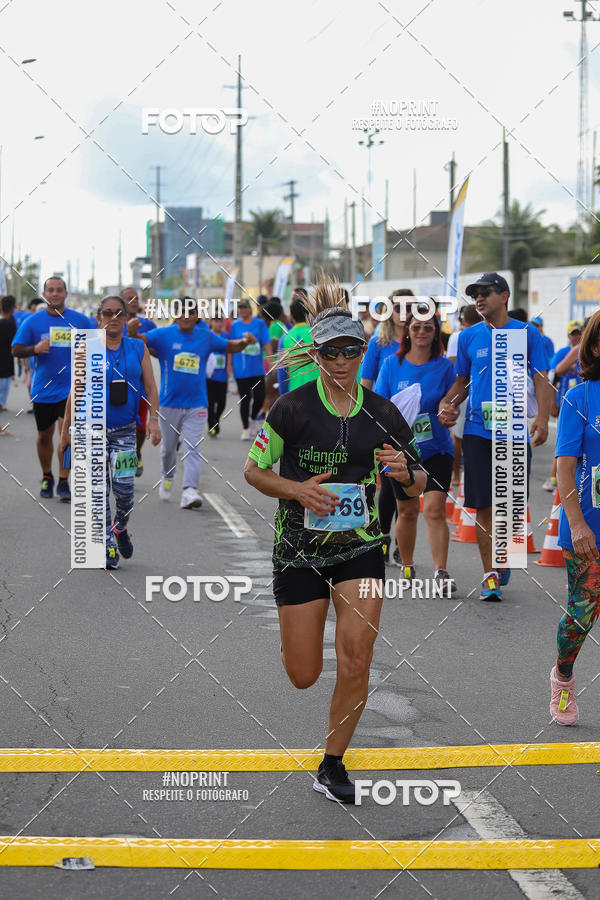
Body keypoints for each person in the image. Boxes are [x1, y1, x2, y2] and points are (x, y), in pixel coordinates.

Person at [244, 279, 425, 803]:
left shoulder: (384, 413)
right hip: (299, 551)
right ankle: (299, 630)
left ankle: (333, 762)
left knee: (358, 654)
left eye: (351, 351)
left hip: (361, 547)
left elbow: (418, 482)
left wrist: (403, 470)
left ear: (363, 352)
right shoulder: (293, 409)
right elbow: (254, 471)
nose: (342, 361)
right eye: (331, 353)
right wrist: (297, 490)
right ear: (316, 354)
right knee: (303, 674)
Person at [438, 273, 550, 601]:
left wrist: (542, 418)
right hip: (476, 430)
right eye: (475, 295)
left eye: (485, 293)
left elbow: (541, 377)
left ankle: (504, 554)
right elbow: (462, 382)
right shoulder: (469, 336)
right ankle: (490, 574)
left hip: (514, 429)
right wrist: (448, 404)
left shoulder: (527, 333)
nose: (479, 299)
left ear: (504, 296)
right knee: (484, 503)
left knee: (511, 504)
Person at [59, 295, 160, 568]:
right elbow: (76, 390)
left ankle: (119, 527)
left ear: (126, 318)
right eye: (107, 313)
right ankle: (106, 543)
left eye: (119, 313)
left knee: (125, 491)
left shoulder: (138, 348)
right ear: (98, 318)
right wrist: (67, 428)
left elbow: (150, 388)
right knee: (97, 490)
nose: (113, 318)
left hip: (126, 432)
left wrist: (153, 421)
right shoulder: (87, 348)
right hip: (92, 431)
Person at [144, 300, 257, 507]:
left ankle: (189, 490)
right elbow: (140, 341)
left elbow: (231, 346)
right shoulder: (164, 335)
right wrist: (132, 329)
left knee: (193, 447)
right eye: (182, 312)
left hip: (197, 404)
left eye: (191, 313)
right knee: (168, 449)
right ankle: (167, 477)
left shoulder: (205, 337)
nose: (186, 316)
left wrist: (245, 341)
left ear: (197, 316)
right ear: (176, 315)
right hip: (169, 404)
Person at [375, 309, 456, 588]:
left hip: (437, 449)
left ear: (436, 334)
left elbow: (450, 401)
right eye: (417, 327)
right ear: (407, 330)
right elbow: (379, 405)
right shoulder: (391, 364)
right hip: (401, 452)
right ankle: (407, 566)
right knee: (407, 510)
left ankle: (441, 572)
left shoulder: (445, 367)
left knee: (434, 510)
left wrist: (447, 410)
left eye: (429, 328)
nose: (422, 333)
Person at [551, 310, 600, 724]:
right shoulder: (579, 397)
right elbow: (565, 468)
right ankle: (563, 679)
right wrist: (578, 522)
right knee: (582, 613)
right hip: (588, 525)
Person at [12, 277, 90, 500]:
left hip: (72, 390)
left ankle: (64, 480)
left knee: (67, 434)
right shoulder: (33, 322)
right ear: (45, 294)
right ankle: (47, 476)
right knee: (44, 435)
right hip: (44, 389)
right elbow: (16, 350)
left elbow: (99, 346)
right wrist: (35, 348)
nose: (55, 294)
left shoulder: (82, 321)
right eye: (50, 290)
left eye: (59, 290)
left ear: (66, 293)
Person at [361, 289, 415, 563]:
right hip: (383, 424)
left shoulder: (421, 341)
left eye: (410, 307)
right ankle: (382, 536)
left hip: (416, 427)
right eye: (399, 307)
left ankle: (396, 542)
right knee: (388, 481)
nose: (404, 313)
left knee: (404, 485)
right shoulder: (378, 344)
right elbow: (365, 383)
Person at [121, 286, 157, 477]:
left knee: (140, 426)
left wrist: (138, 338)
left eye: (136, 298)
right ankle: (121, 469)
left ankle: (136, 452)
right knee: (121, 426)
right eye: (129, 298)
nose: (133, 301)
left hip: (140, 385)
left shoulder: (148, 325)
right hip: (116, 386)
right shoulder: (113, 324)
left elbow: (158, 350)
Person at [543, 320, 583, 492]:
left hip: (587, 402)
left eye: (578, 332)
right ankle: (554, 478)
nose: (576, 336)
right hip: (570, 402)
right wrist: (553, 403)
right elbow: (554, 374)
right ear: (568, 336)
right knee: (565, 444)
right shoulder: (566, 352)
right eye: (573, 333)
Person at [446, 303, 481, 486]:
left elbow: (453, 366)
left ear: (463, 319)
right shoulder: (485, 334)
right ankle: (470, 472)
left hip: (461, 390)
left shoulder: (458, 336)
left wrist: (449, 398)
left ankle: (456, 475)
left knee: (458, 437)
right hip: (479, 392)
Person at [229, 299, 272, 440]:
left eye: (244, 307)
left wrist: (271, 361)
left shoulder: (259, 324)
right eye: (239, 307)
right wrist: (229, 365)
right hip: (241, 369)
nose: (241, 309)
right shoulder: (235, 326)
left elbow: (266, 343)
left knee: (260, 398)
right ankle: (246, 429)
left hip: (257, 369)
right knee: (245, 399)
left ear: (250, 309)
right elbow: (230, 346)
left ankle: (253, 418)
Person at [277, 295, 318, 394]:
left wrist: (283, 394)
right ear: (308, 314)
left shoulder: (285, 338)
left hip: (295, 392)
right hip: (319, 391)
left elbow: (282, 370)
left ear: (291, 315)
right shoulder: (317, 334)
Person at [206, 316, 229, 437]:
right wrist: (208, 368)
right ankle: (211, 426)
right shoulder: (208, 336)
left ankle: (216, 418)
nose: (218, 323)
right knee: (210, 402)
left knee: (222, 402)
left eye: (220, 321)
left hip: (222, 375)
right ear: (211, 323)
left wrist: (229, 367)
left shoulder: (226, 336)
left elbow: (229, 352)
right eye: (215, 321)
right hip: (209, 376)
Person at [0, 296, 17, 410]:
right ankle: (1, 403)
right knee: (4, 381)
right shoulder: (11, 323)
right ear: (12, 308)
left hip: (5, 357)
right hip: (6, 357)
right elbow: (16, 341)